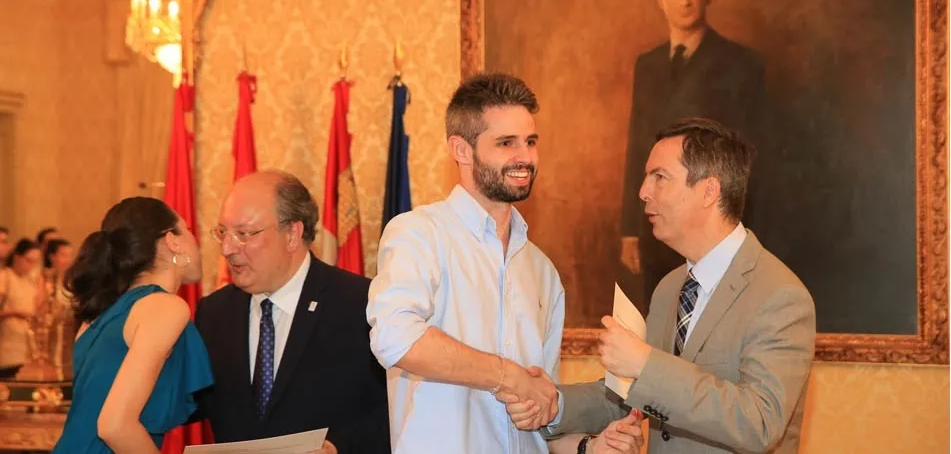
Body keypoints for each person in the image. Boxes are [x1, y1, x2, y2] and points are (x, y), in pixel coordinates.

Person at [368, 72, 643, 454]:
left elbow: (540, 417)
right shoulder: (418, 234)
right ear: (461, 150)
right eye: (506, 143)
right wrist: (507, 375)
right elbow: (394, 338)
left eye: (530, 142)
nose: (525, 157)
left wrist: (593, 448)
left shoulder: (542, 271)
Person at [523, 118, 816, 453]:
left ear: (709, 190)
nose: (643, 192)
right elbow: (631, 393)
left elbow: (760, 423)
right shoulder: (669, 288)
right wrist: (551, 402)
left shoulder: (780, 296)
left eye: (659, 177)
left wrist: (646, 364)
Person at [194, 170, 387, 454]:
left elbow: (396, 408)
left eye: (244, 234)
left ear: (293, 234)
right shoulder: (213, 313)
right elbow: (185, 404)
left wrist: (339, 447)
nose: (227, 248)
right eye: (223, 232)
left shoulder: (361, 304)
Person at [619, 0, 766, 310]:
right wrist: (629, 228)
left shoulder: (740, 64)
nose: (684, 0)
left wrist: (737, 225)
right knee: (660, 329)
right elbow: (638, 146)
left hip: (711, 225)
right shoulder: (648, 65)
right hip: (657, 226)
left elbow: (747, 156)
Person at [52, 197, 213, 453]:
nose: (196, 241)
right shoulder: (164, 306)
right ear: (173, 240)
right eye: (189, 231)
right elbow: (115, 426)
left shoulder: (101, 312)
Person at [0, 238, 41, 378]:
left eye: (35, 262)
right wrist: (15, 312)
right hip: (6, 346)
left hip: (26, 346)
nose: (31, 266)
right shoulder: (5, 277)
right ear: (17, 257)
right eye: (28, 260)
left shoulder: (30, 280)